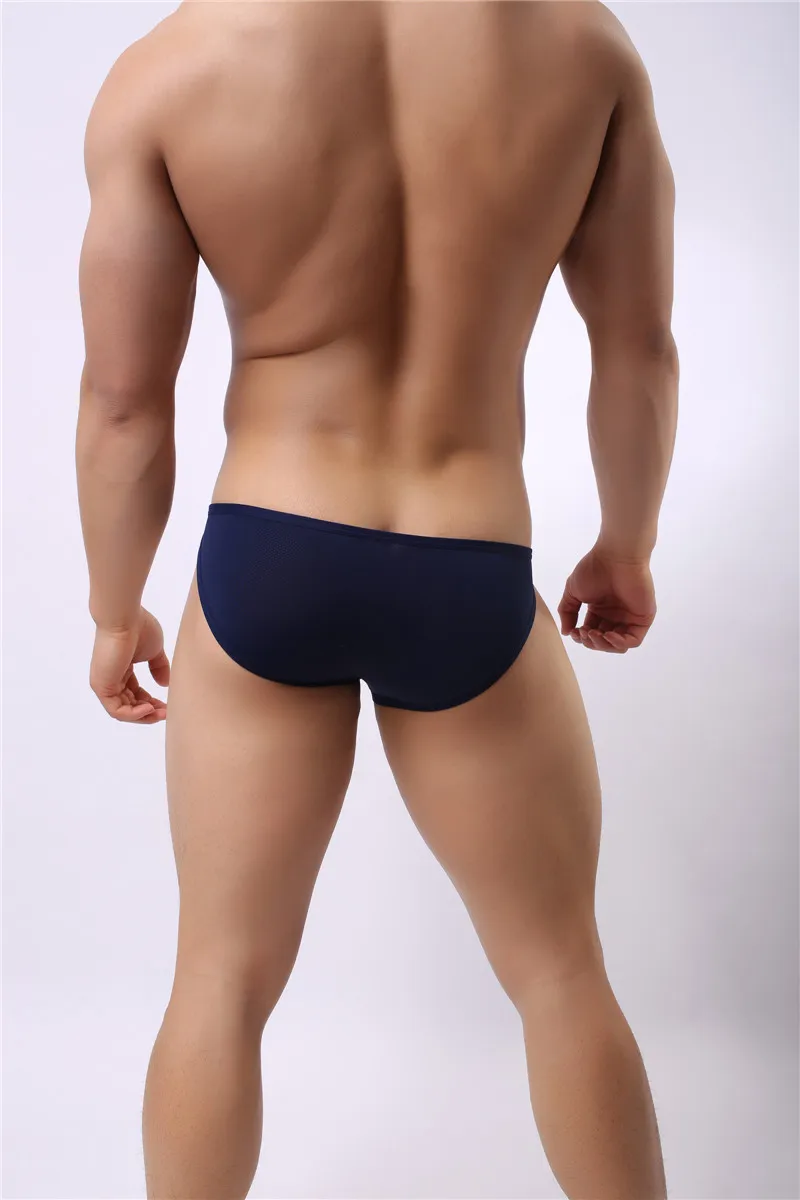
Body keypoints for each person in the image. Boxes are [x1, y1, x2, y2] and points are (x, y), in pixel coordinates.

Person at [75, 1, 679, 1197]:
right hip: (467, 553)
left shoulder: (172, 65)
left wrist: (112, 608)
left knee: (218, 981)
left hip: (270, 551)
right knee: (559, 976)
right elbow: (637, 348)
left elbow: (123, 401)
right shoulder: (582, 47)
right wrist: (624, 546)